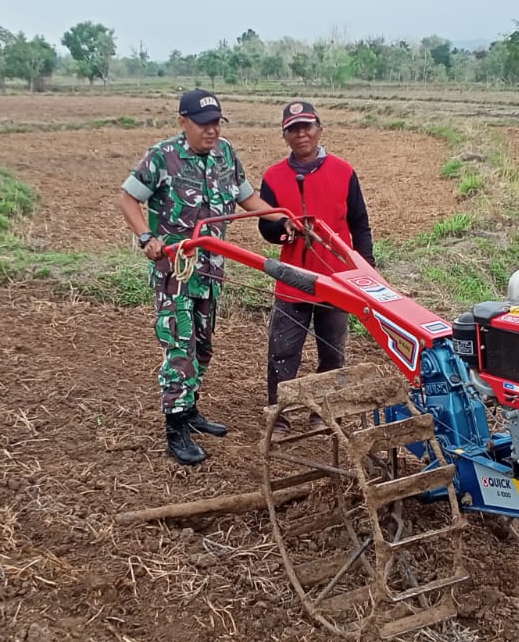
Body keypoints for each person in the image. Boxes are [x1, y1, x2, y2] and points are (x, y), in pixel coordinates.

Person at [119, 89, 294, 466]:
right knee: (179, 347)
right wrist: (146, 236)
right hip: (175, 272)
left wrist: (282, 217)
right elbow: (128, 199)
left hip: (211, 270)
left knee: (203, 345)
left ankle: (191, 410)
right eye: (203, 124)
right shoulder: (163, 157)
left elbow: (248, 199)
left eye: (216, 123)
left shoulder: (225, 154)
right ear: (183, 122)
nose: (211, 131)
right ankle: (175, 427)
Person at [256, 100, 376, 433]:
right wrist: (282, 229)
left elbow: (359, 224)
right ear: (285, 136)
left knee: (333, 350)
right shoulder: (274, 177)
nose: (301, 134)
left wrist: (365, 271)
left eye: (306, 126)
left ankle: (325, 412)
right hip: (293, 278)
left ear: (319, 129)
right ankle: (278, 416)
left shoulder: (343, 171)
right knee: (283, 351)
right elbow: (264, 227)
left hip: (336, 279)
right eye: (293, 129)